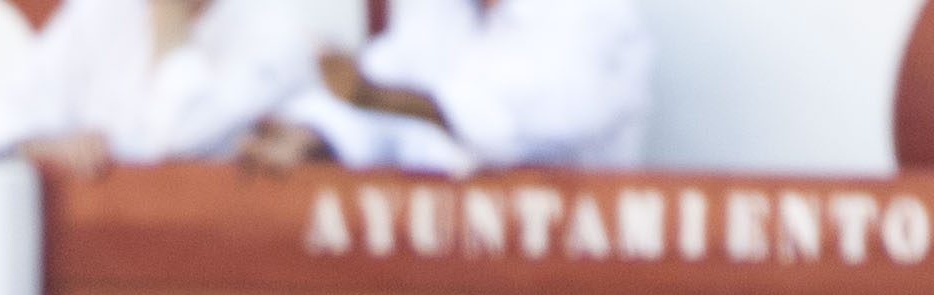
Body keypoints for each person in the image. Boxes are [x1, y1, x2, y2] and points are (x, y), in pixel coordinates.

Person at [249, 0, 654, 176]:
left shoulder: (596, 12)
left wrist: (383, 99)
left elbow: (515, 129)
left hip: (564, 275)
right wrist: (311, 134)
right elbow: (379, 82)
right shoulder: (441, 10)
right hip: (437, 268)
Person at [0, 0, 318, 177]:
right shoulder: (104, 12)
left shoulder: (274, 30)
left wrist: (169, 20)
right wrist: (42, 145)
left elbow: (180, 136)